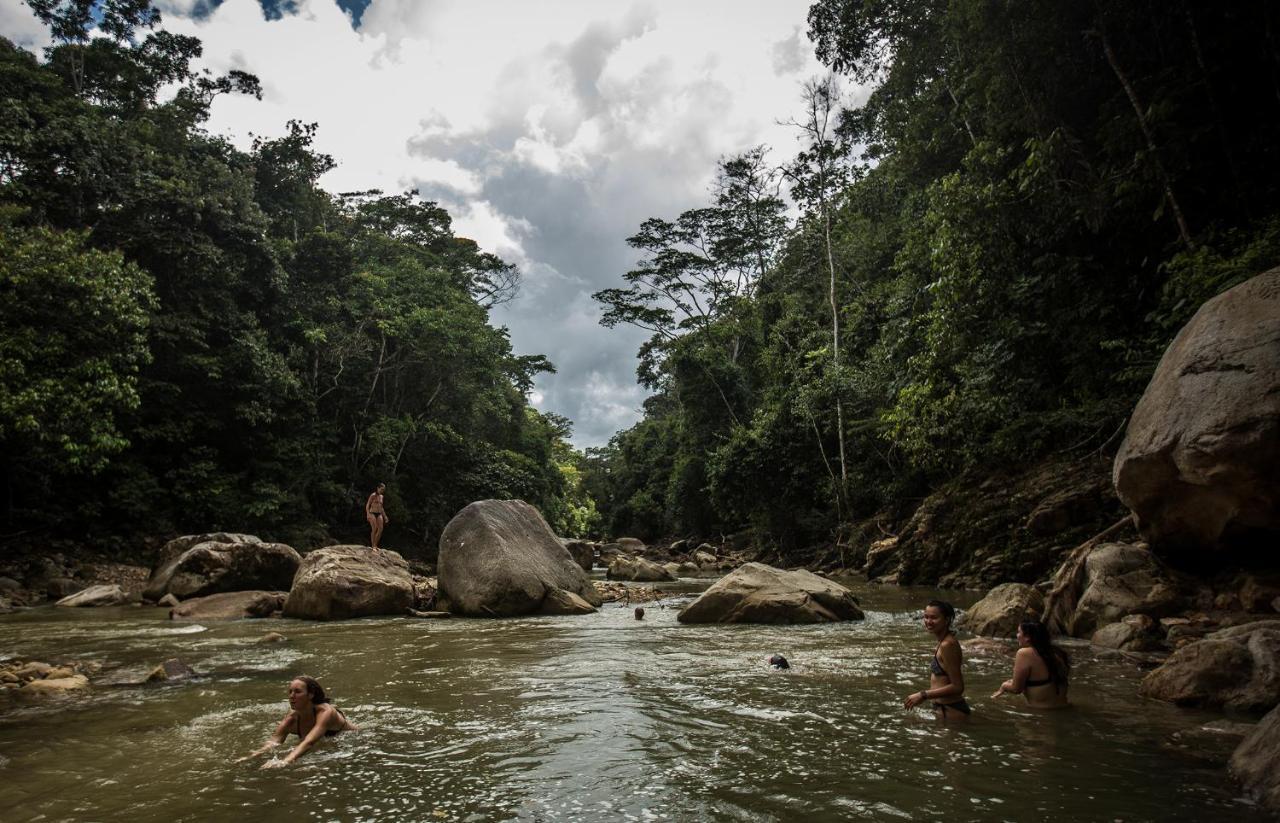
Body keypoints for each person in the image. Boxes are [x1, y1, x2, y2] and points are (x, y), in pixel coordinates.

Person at [237, 676, 357, 769]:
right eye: (290, 692)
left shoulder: (326, 712)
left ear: (310, 695)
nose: (292, 696)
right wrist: (251, 757)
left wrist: (285, 761)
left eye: (297, 692)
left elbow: (309, 742)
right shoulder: (292, 718)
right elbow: (274, 741)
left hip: (352, 739)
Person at [903, 600, 970, 719]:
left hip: (952, 711)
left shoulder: (948, 645)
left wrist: (923, 695)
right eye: (926, 617)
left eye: (934, 618)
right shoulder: (942, 642)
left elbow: (958, 686)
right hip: (944, 710)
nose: (929, 621)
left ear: (947, 619)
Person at [992, 620, 1071, 708]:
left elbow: (1016, 689)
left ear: (1027, 637)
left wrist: (1004, 686)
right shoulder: (1057, 653)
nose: (1017, 635)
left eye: (1019, 632)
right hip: (1065, 708)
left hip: (1041, 714)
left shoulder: (1024, 653)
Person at [365, 482, 388, 551]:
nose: (382, 491)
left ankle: (375, 544)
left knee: (380, 529)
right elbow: (367, 505)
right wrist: (368, 514)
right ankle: (373, 546)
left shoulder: (382, 496)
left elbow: (381, 507)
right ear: (378, 488)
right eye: (381, 489)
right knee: (374, 528)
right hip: (372, 513)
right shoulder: (373, 495)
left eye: (383, 490)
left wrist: (385, 516)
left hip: (379, 513)